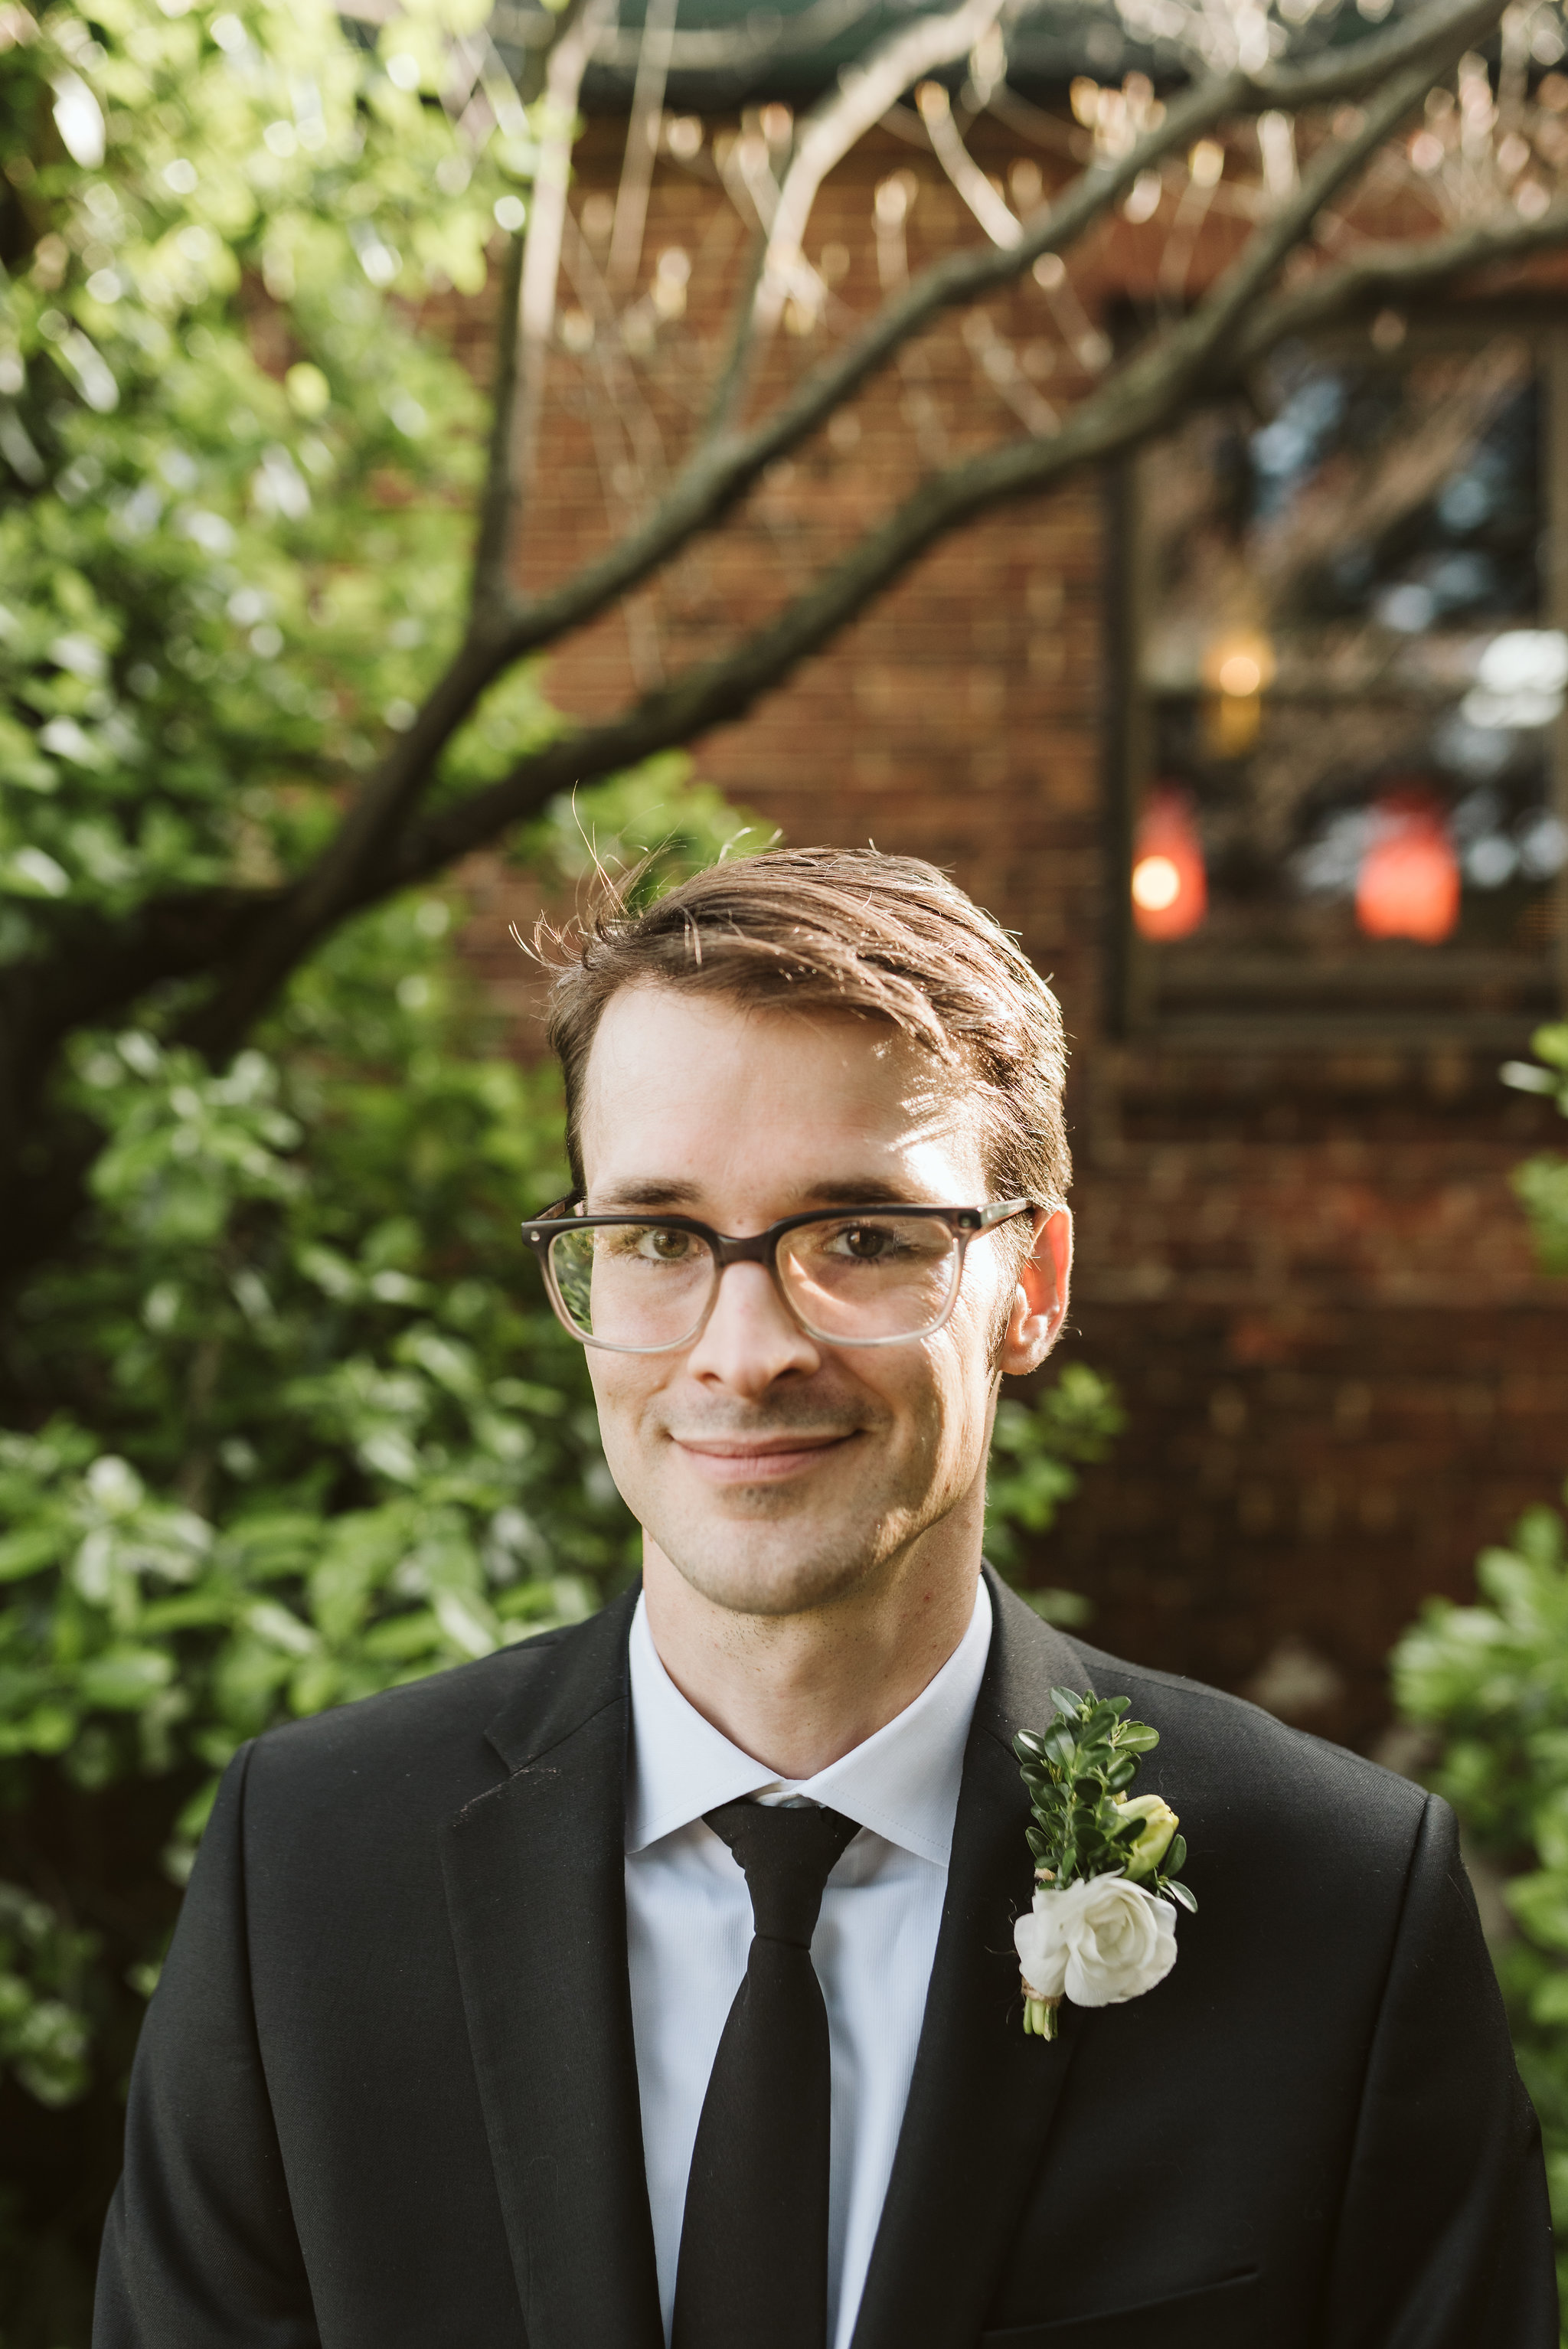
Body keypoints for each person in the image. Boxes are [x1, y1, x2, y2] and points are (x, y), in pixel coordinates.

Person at [94, 848, 1554, 2349]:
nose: (744, 1349)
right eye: (658, 1237)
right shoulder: (313, 1869)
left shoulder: (1336, 1906)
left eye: (860, 1236)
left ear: (1032, 1284)